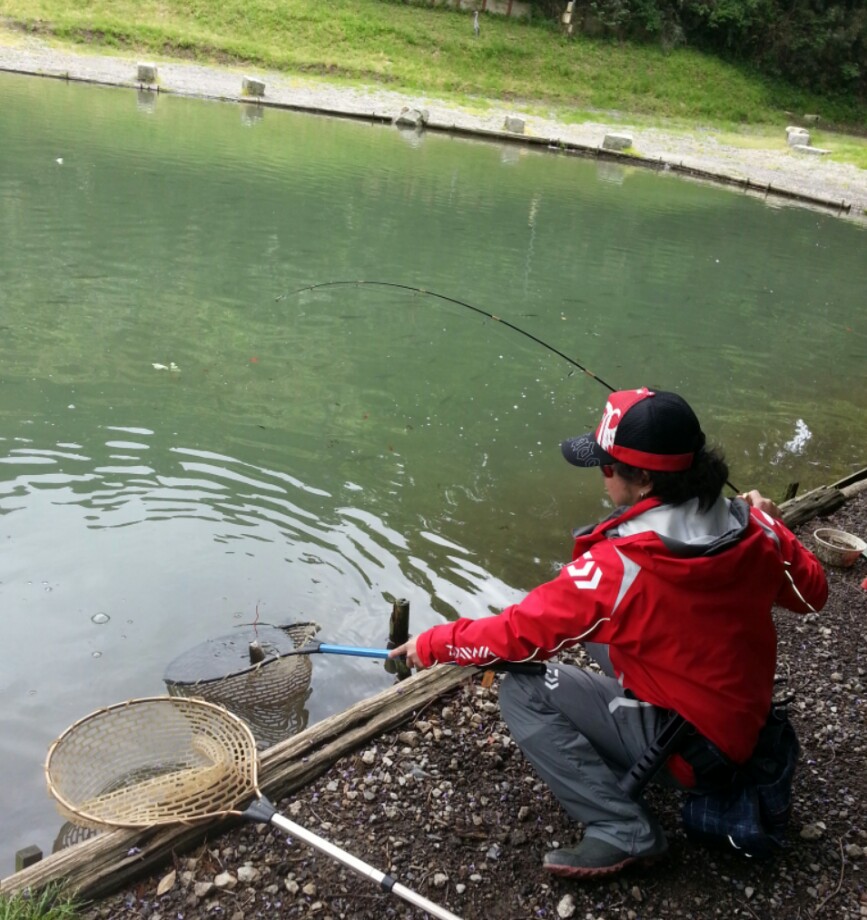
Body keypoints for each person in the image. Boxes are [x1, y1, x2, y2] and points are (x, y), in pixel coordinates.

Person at [389, 386, 827, 879]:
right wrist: (774, 525)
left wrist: (432, 643)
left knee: (522, 691)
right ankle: (638, 742)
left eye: (606, 467)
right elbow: (813, 594)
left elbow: (515, 634)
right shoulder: (753, 528)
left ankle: (624, 830)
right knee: (596, 631)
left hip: (696, 751)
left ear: (644, 480)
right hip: (740, 715)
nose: (602, 478)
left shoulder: (623, 566)